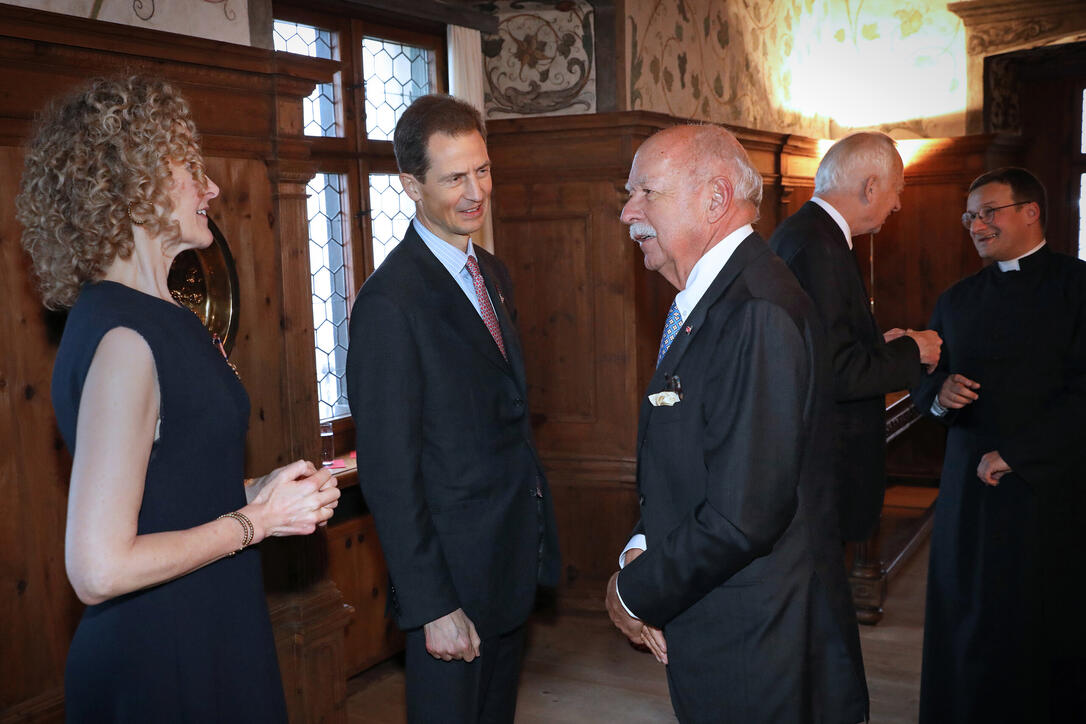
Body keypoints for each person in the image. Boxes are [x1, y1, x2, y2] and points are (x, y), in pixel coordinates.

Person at [15, 76, 341, 722]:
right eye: (190, 168)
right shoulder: (126, 338)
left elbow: (171, 493)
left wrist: (260, 491)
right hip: (161, 660)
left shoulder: (164, 318)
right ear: (131, 185)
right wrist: (257, 523)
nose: (211, 187)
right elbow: (97, 567)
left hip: (209, 629)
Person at [604, 124, 868, 723]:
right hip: (721, 617)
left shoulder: (757, 310)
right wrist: (641, 545)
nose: (628, 213)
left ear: (715, 200)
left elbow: (743, 515)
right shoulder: (715, 296)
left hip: (755, 639)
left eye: (647, 192)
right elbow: (694, 459)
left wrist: (632, 592)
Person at [345, 94, 560, 724]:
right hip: (450, 580)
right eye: (455, 178)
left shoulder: (490, 273)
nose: (476, 192)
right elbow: (388, 470)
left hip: (507, 561)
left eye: (483, 170)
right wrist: (432, 603)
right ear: (411, 185)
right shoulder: (391, 303)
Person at [911, 167, 1086, 723]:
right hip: (970, 491)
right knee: (971, 616)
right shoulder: (957, 299)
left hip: (1052, 490)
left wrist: (1020, 454)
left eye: (990, 212)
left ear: (1031, 212)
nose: (977, 225)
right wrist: (941, 394)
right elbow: (925, 386)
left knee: (1043, 621)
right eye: (970, 216)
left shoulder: (1079, 288)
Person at [770, 131, 942, 541]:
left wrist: (879, 346)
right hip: (823, 469)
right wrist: (911, 350)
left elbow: (818, 345)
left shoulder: (809, 234)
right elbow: (837, 372)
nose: (898, 203)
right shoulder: (818, 246)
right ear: (871, 187)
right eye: (896, 190)